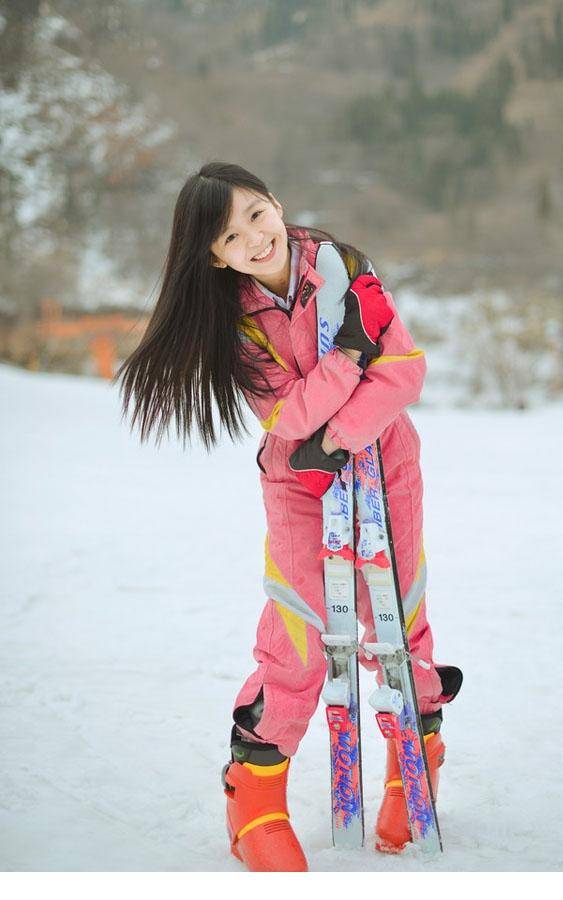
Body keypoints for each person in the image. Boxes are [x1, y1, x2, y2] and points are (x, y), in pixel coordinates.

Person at [117, 161, 462, 872]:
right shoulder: (234, 321)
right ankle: (256, 794)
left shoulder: (340, 268)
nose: (251, 237)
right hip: (298, 483)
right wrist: (345, 359)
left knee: (395, 611)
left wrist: (337, 436)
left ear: (275, 203)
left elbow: (405, 370)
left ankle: (413, 758)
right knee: (298, 628)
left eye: (254, 214)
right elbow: (286, 414)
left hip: (381, 458)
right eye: (229, 235)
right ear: (213, 256)